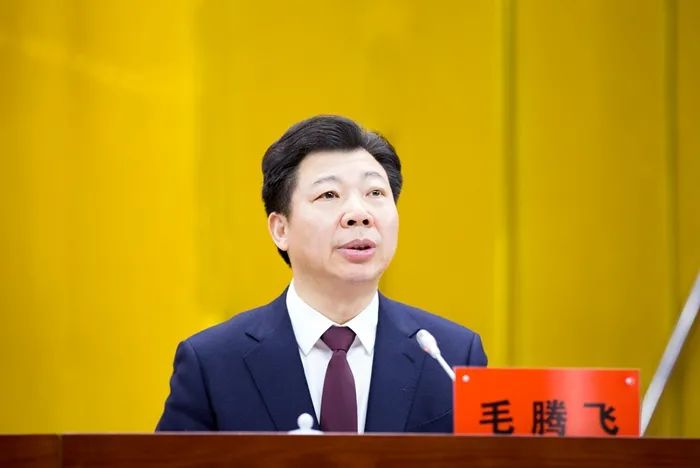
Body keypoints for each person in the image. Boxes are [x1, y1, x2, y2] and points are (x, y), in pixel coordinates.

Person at [156, 115, 487, 433]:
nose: (359, 214)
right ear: (281, 229)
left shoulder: (452, 356)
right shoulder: (213, 363)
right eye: (329, 195)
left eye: (375, 193)